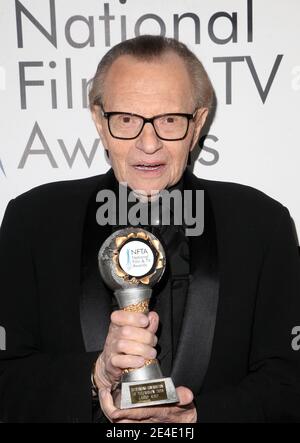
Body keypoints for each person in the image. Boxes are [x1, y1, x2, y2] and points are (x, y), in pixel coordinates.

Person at [0, 35, 300, 423]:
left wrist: (195, 420)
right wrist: (95, 375)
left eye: (169, 120)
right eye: (126, 119)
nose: (149, 143)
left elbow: (290, 383)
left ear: (198, 123)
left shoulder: (262, 225)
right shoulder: (33, 221)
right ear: (99, 121)